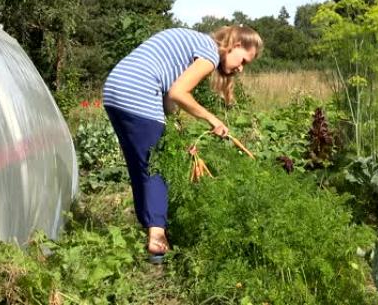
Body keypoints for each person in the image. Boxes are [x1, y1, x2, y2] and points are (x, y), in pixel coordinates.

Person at [102, 25, 263, 263]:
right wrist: (212, 119)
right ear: (236, 45)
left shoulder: (195, 42)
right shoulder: (208, 53)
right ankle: (157, 241)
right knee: (158, 168)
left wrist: (176, 132)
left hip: (115, 90)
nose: (240, 68)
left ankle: (148, 231)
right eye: (243, 61)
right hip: (139, 91)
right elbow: (179, 92)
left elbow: (169, 99)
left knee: (141, 168)